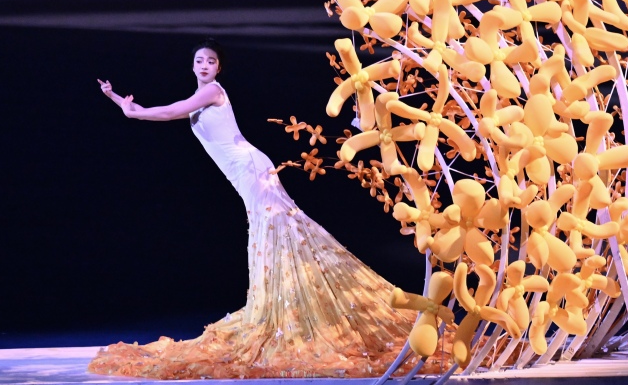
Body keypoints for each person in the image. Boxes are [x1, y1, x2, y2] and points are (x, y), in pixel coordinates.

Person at [90, 38, 415, 379]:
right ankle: (293, 309)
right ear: (192, 66)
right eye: (199, 60)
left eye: (211, 61)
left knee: (283, 235)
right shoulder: (201, 96)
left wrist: (135, 113)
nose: (204, 65)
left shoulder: (212, 91)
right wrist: (118, 100)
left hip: (252, 169)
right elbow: (168, 109)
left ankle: (313, 309)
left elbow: (173, 110)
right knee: (275, 238)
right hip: (246, 173)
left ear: (218, 68)